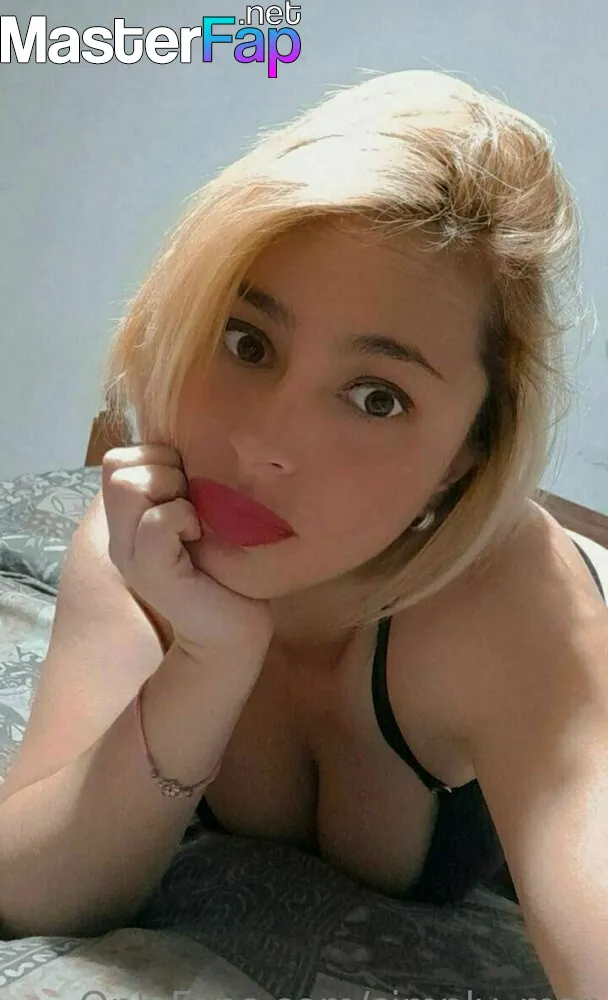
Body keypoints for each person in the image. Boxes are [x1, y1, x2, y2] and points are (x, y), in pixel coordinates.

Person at [0, 69, 607, 996]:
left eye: (376, 397)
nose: (261, 445)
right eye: (247, 342)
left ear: (464, 455)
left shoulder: (509, 611)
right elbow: (36, 889)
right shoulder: (139, 544)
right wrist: (203, 661)